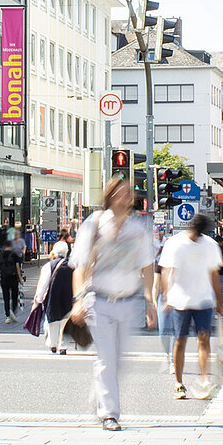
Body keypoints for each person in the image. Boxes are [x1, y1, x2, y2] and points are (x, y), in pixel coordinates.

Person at [69, 178, 158, 431]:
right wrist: (78, 301)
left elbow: (147, 267)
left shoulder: (137, 229)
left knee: (117, 361)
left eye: (128, 193)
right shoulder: (95, 224)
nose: (125, 196)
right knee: (107, 358)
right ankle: (110, 414)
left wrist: (150, 302)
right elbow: (80, 266)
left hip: (127, 301)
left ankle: (101, 396)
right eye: (119, 192)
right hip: (99, 300)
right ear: (109, 196)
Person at [159, 214, 223, 399]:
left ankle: (204, 379)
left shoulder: (210, 245)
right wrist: (166, 295)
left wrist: (219, 301)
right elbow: (166, 270)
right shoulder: (175, 243)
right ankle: (179, 383)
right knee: (180, 340)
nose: (197, 236)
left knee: (204, 338)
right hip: (180, 300)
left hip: (203, 299)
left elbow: (214, 274)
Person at [32, 242, 73, 354]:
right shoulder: (73, 265)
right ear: (66, 252)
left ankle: (53, 344)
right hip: (68, 298)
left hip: (53, 298)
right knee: (65, 322)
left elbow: (43, 284)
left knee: (53, 321)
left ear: (54, 252)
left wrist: (39, 298)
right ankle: (63, 346)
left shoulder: (48, 266)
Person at [0, 237, 24, 323]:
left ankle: (7, 316)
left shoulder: (1, 255)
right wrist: (20, 279)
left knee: (6, 298)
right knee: (14, 296)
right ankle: (13, 311)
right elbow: (17, 268)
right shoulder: (14, 254)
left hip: (4, 278)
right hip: (13, 278)